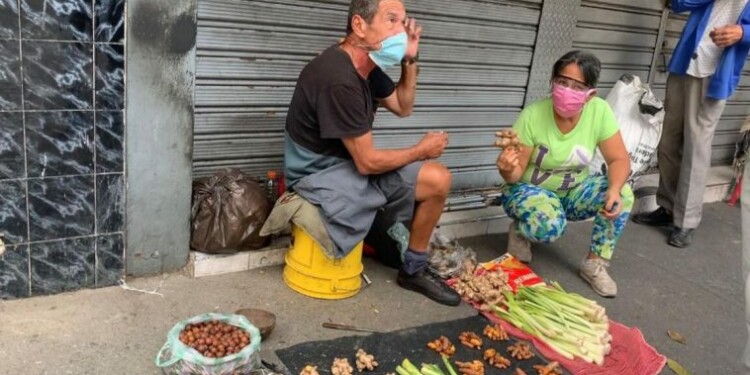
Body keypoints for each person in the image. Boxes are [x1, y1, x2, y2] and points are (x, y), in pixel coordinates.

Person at [283, 0, 461, 306]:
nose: (400, 31)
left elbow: (403, 107)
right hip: (318, 175)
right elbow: (366, 163)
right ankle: (381, 233)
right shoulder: (338, 77)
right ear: (359, 25)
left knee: (438, 179)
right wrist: (421, 150)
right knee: (407, 179)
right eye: (391, 20)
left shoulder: (367, 64)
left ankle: (413, 270)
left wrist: (410, 58)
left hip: (348, 166)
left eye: (403, 23)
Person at [496, 51, 633, 298]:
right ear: (552, 82)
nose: (566, 90)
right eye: (561, 82)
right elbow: (515, 175)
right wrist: (506, 168)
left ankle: (594, 263)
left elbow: (619, 159)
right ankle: (521, 229)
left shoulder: (599, 112)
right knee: (548, 226)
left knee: (622, 193)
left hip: (573, 193)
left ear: (590, 93)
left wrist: (613, 189)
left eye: (576, 86)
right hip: (528, 191)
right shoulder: (533, 115)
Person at [632, 0, 750, 248]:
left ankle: (686, 220)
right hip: (686, 63)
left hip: (716, 73)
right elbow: (678, 3)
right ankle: (667, 207)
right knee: (668, 140)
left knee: (696, 147)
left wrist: (743, 32)